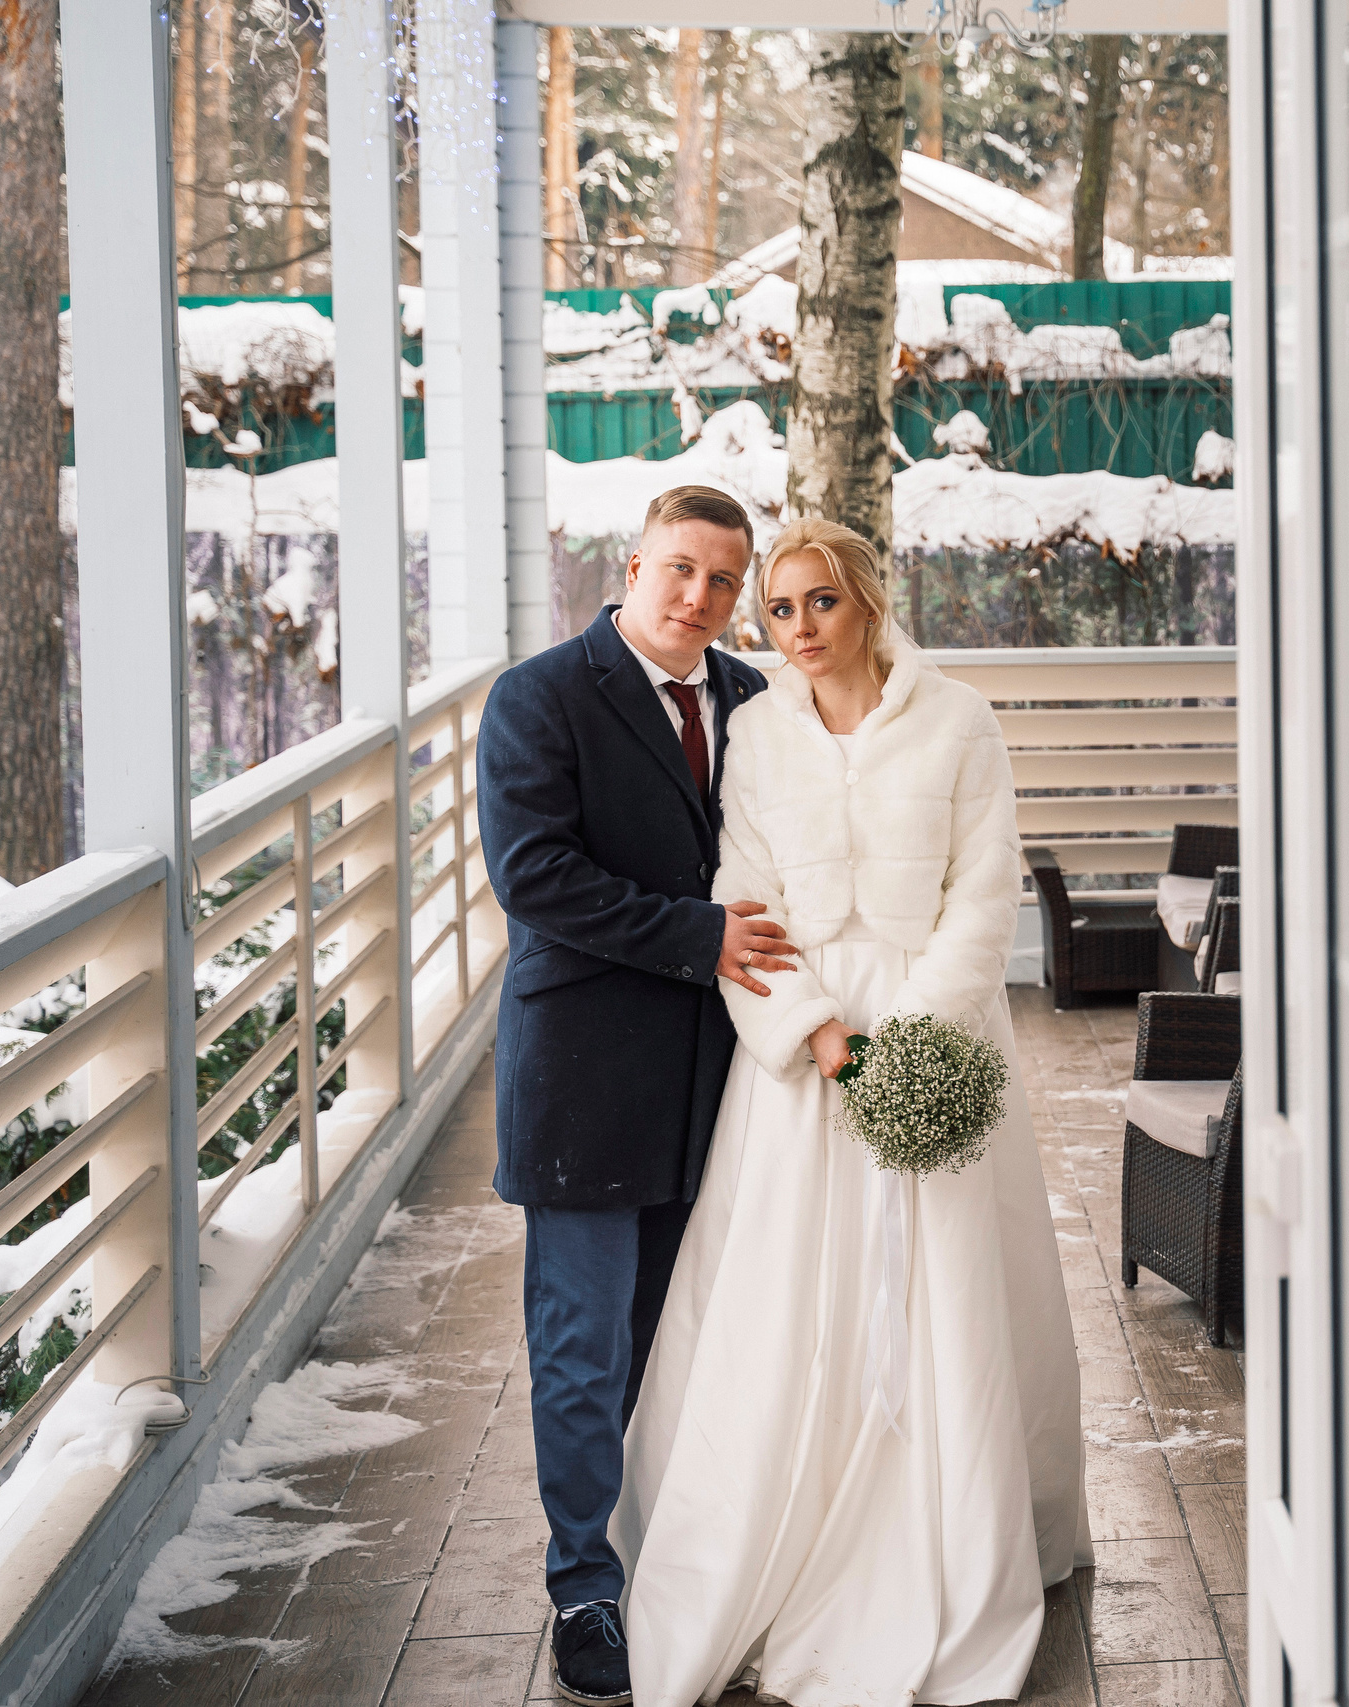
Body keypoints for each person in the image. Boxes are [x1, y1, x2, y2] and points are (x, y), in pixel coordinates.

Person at [615, 518, 1089, 1707]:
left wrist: (911, 1050)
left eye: (819, 603)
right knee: (786, 1302)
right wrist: (825, 1038)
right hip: (803, 1058)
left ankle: (954, 1541)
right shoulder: (758, 733)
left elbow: (983, 899)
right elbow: (744, 900)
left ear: (868, 601)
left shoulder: (960, 722)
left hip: (936, 1040)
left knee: (949, 1300)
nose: (798, 630)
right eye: (776, 611)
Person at [477, 484, 793, 1707]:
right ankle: (583, 1586)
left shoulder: (755, 700)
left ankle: (678, 1559)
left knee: (690, 1336)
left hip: (722, 1078)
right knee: (583, 1348)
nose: (698, 600)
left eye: (723, 581)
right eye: (679, 570)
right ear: (632, 564)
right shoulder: (541, 695)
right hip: (587, 1076)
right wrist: (701, 935)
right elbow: (537, 876)